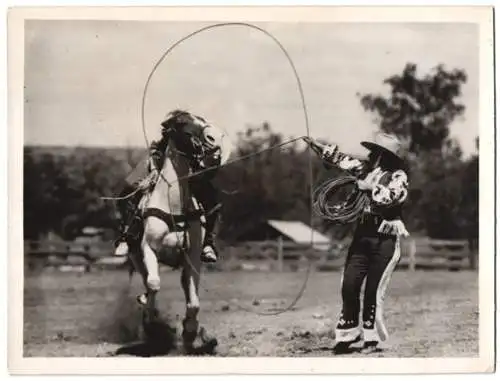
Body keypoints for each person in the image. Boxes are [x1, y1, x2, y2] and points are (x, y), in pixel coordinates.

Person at [307, 132, 410, 354]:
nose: (372, 155)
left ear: (387, 156)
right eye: (373, 151)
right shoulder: (366, 170)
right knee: (350, 284)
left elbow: (391, 197)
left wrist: (366, 187)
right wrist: (319, 147)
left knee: (373, 290)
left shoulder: (398, 176)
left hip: (385, 239)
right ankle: (348, 333)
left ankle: (372, 340)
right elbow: (341, 159)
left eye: (378, 152)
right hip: (362, 236)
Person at [113, 109, 231, 264]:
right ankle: (126, 237)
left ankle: (207, 243)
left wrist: (207, 166)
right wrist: (152, 170)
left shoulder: (199, 139)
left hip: (189, 174)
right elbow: (156, 153)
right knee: (127, 191)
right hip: (154, 163)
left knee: (213, 200)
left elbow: (209, 162)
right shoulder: (167, 141)